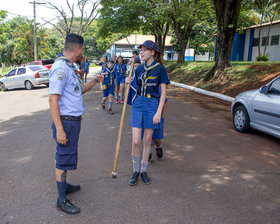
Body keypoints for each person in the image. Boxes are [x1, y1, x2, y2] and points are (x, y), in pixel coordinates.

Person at [49, 33, 104, 214]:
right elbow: (52, 100)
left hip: (72, 122)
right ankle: (61, 200)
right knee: (62, 158)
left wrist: (95, 80)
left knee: (67, 156)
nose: (82, 54)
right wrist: (60, 129)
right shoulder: (61, 68)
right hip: (65, 122)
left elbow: (79, 91)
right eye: (82, 50)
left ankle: (64, 185)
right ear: (77, 49)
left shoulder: (69, 66)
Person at [126, 40, 170, 186]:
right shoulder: (138, 69)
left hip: (152, 105)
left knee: (147, 141)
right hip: (138, 103)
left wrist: (158, 112)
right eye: (141, 50)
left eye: (145, 50)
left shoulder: (160, 69)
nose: (142, 52)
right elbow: (134, 86)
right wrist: (129, 81)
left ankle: (144, 171)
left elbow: (163, 92)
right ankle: (135, 171)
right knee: (135, 141)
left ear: (153, 52)